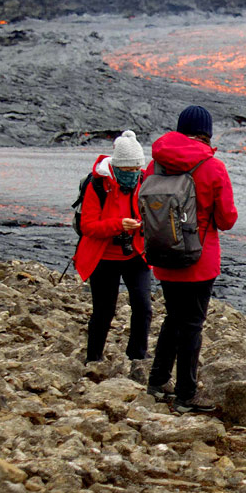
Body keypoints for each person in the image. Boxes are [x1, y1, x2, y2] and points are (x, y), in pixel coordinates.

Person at [145, 106, 238, 413]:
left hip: (163, 254)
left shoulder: (154, 165)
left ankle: (157, 382)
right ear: (206, 133)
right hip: (200, 259)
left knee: (173, 318)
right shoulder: (213, 167)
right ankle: (186, 394)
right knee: (192, 325)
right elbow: (226, 220)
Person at [73, 131, 151, 366]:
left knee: (143, 306)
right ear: (116, 167)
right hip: (104, 256)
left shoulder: (145, 181)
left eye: (136, 169)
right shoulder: (97, 185)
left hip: (135, 253)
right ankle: (93, 359)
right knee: (104, 312)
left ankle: (137, 357)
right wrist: (118, 225)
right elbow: (88, 226)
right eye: (127, 170)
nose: (132, 174)